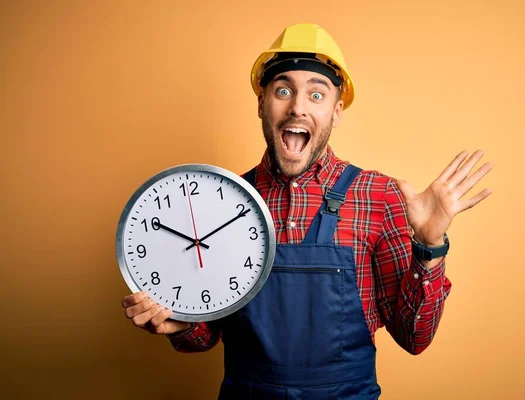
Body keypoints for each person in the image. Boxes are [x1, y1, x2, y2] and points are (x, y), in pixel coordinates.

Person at [121, 23, 493, 399]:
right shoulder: (222, 201)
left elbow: (415, 338)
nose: (297, 106)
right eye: (283, 91)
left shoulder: (378, 196)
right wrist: (176, 324)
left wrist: (429, 246)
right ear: (262, 103)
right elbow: (204, 337)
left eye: (317, 94)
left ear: (336, 111)